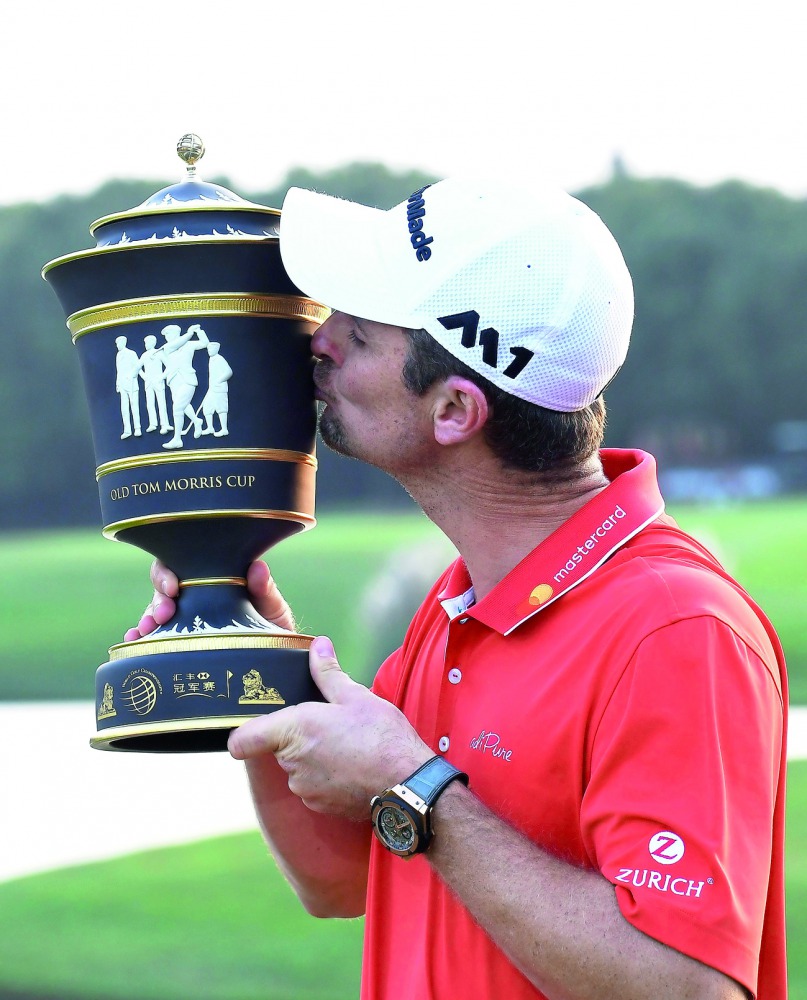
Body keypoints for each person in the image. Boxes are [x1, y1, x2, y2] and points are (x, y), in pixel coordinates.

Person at [128, 177, 788, 1000]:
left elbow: (685, 988)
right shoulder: (465, 600)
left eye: (359, 335)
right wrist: (254, 660)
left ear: (452, 411)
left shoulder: (675, 628)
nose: (319, 341)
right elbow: (341, 883)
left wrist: (416, 788)